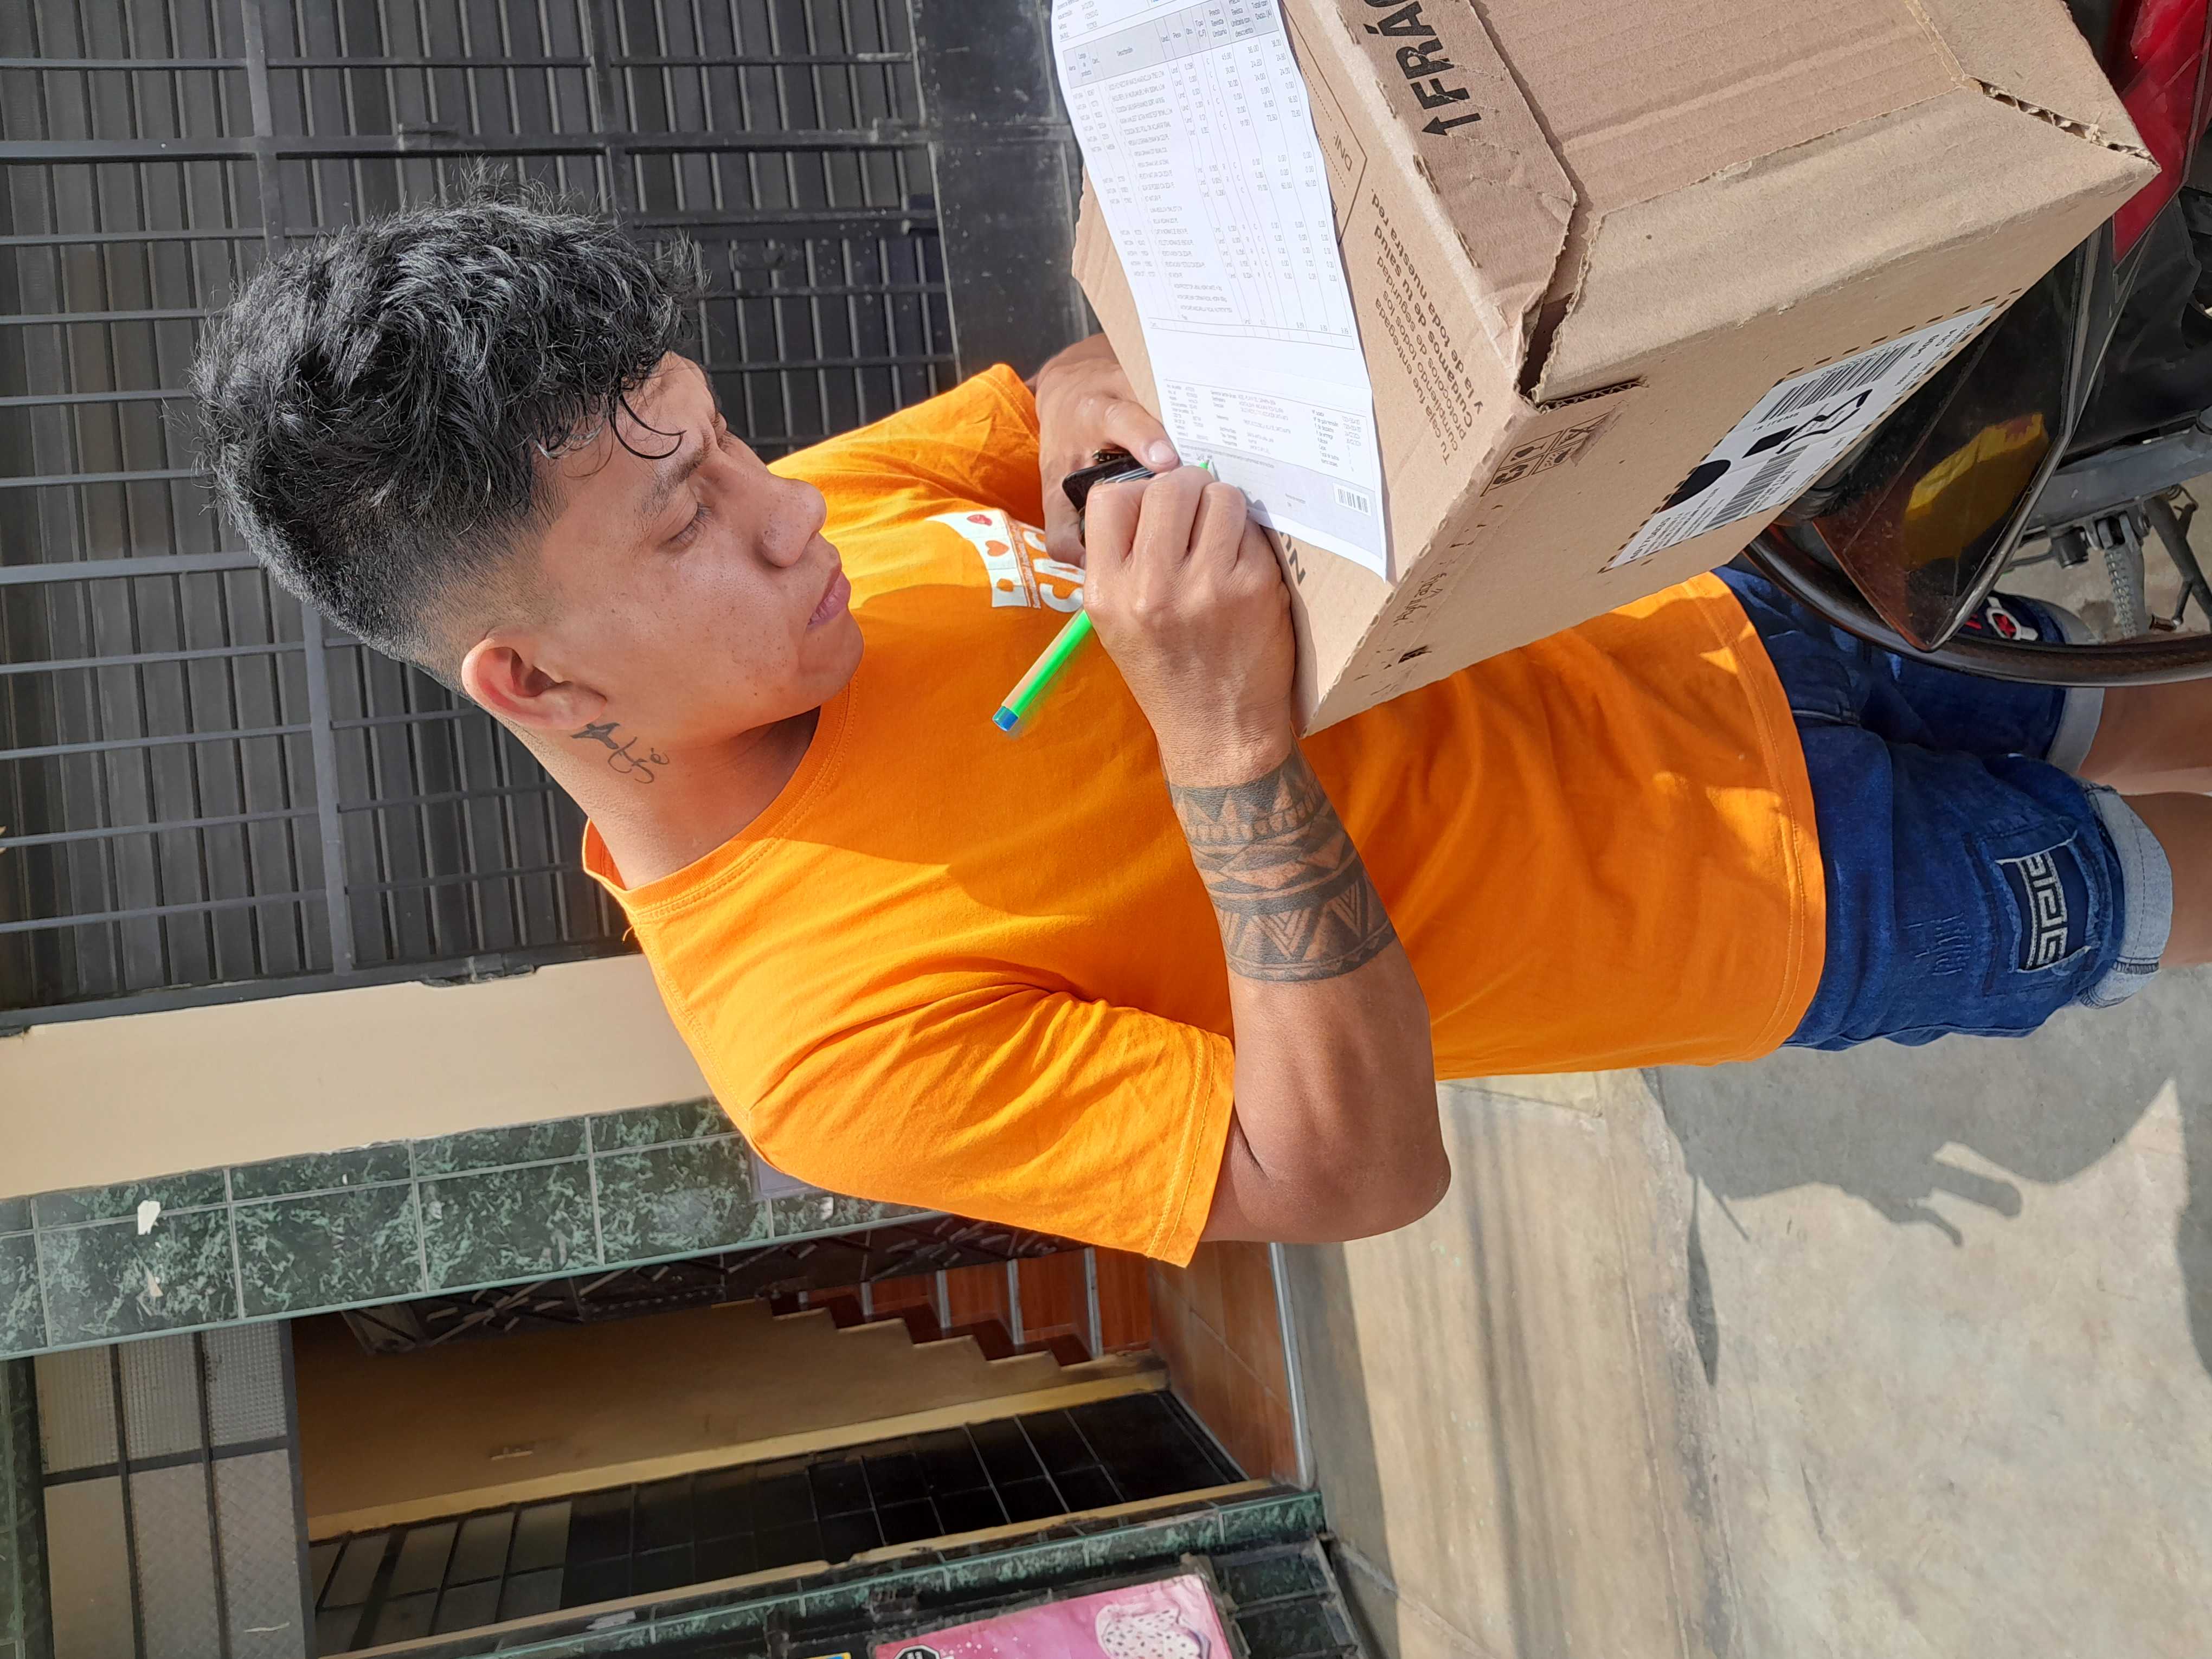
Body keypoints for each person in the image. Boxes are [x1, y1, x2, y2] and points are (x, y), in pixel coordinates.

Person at [192, 192, 2212, 1264]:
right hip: (1762, 908)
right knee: (2146, 873)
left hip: (1680, 606)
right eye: (682, 522)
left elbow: (1063, 387)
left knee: (2113, 703)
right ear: (535, 682)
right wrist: (1228, 750)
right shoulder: (820, 1042)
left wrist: (1103, 456)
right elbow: (1351, 1174)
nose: (782, 509)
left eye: (722, 440)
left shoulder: (823, 534)